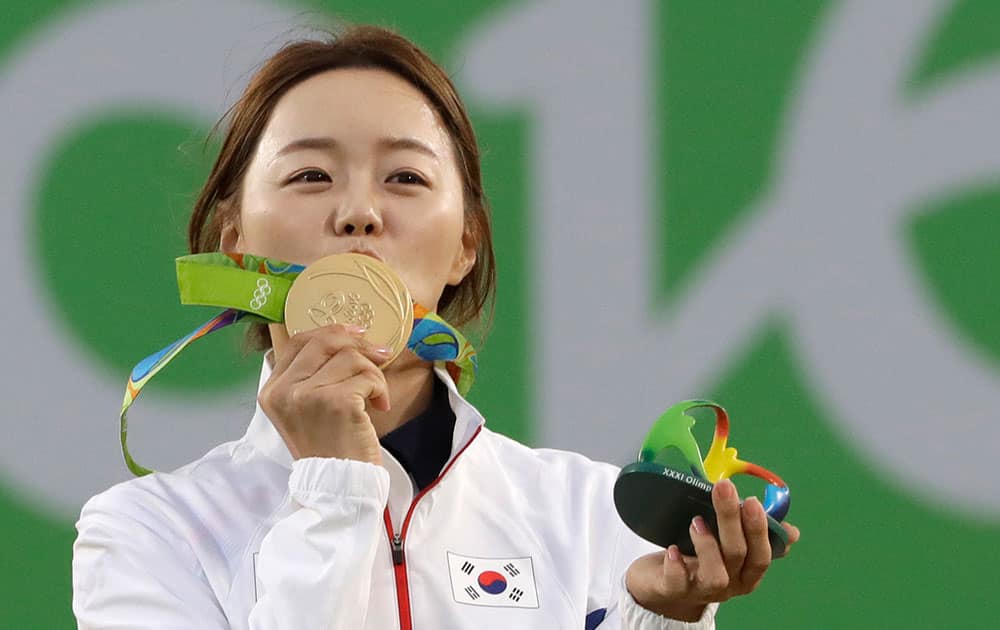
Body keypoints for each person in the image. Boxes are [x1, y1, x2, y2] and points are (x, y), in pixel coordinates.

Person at [72, 24, 799, 629]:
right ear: (234, 240)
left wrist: (660, 616)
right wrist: (334, 491)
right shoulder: (145, 533)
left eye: (406, 178)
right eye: (310, 176)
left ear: (465, 245)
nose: (359, 213)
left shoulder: (590, 515)